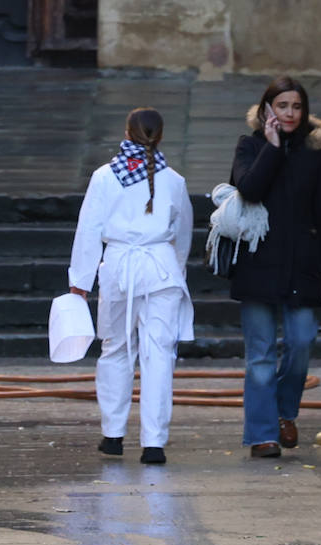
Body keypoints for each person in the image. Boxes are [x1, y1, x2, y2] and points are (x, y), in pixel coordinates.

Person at [68, 107, 194, 465]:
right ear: (161, 135)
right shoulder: (175, 180)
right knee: (160, 355)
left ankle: (113, 436)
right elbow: (182, 237)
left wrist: (80, 281)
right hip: (162, 271)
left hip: (120, 268)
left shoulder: (105, 176)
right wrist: (177, 271)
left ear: (127, 133)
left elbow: (89, 229)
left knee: (116, 349)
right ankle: (154, 444)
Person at [228, 76, 321, 458]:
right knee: (259, 356)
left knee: (302, 342)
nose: (290, 113)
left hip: (303, 267)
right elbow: (249, 189)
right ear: (268, 110)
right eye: (282, 106)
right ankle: (263, 436)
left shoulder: (315, 156)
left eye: (296, 107)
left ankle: (283, 413)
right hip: (258, 264)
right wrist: (273, 147)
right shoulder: (250, 146)